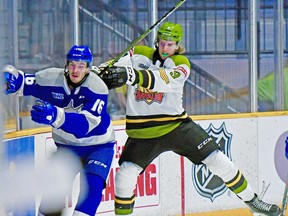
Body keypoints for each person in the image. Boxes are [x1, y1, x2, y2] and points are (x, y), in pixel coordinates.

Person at [98, 22, 282, 215]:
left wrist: (131, 75)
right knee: (125, 176)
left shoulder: (181, 64)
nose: (165, 48)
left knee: (219, 161)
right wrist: (98, 72)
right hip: (142, 131)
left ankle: (254, 203)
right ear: (157, 41)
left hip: (177, 126)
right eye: (162, 43)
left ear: (177, 45)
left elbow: (164, 80)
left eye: (170, 44)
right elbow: (114, 66)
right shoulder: (138, 53)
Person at [3, 45, 116, 216]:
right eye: (72, 64)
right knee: (52, 195)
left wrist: (56, 115)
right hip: (66, 147)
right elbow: (24, 83)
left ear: (88, 68)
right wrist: (11, 78)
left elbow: (84, 127)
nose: (75, 70)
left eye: (81, 66)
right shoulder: (50, 78)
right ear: (66, 65)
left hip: (99, 146)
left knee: (93, 187)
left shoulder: (98, 88)